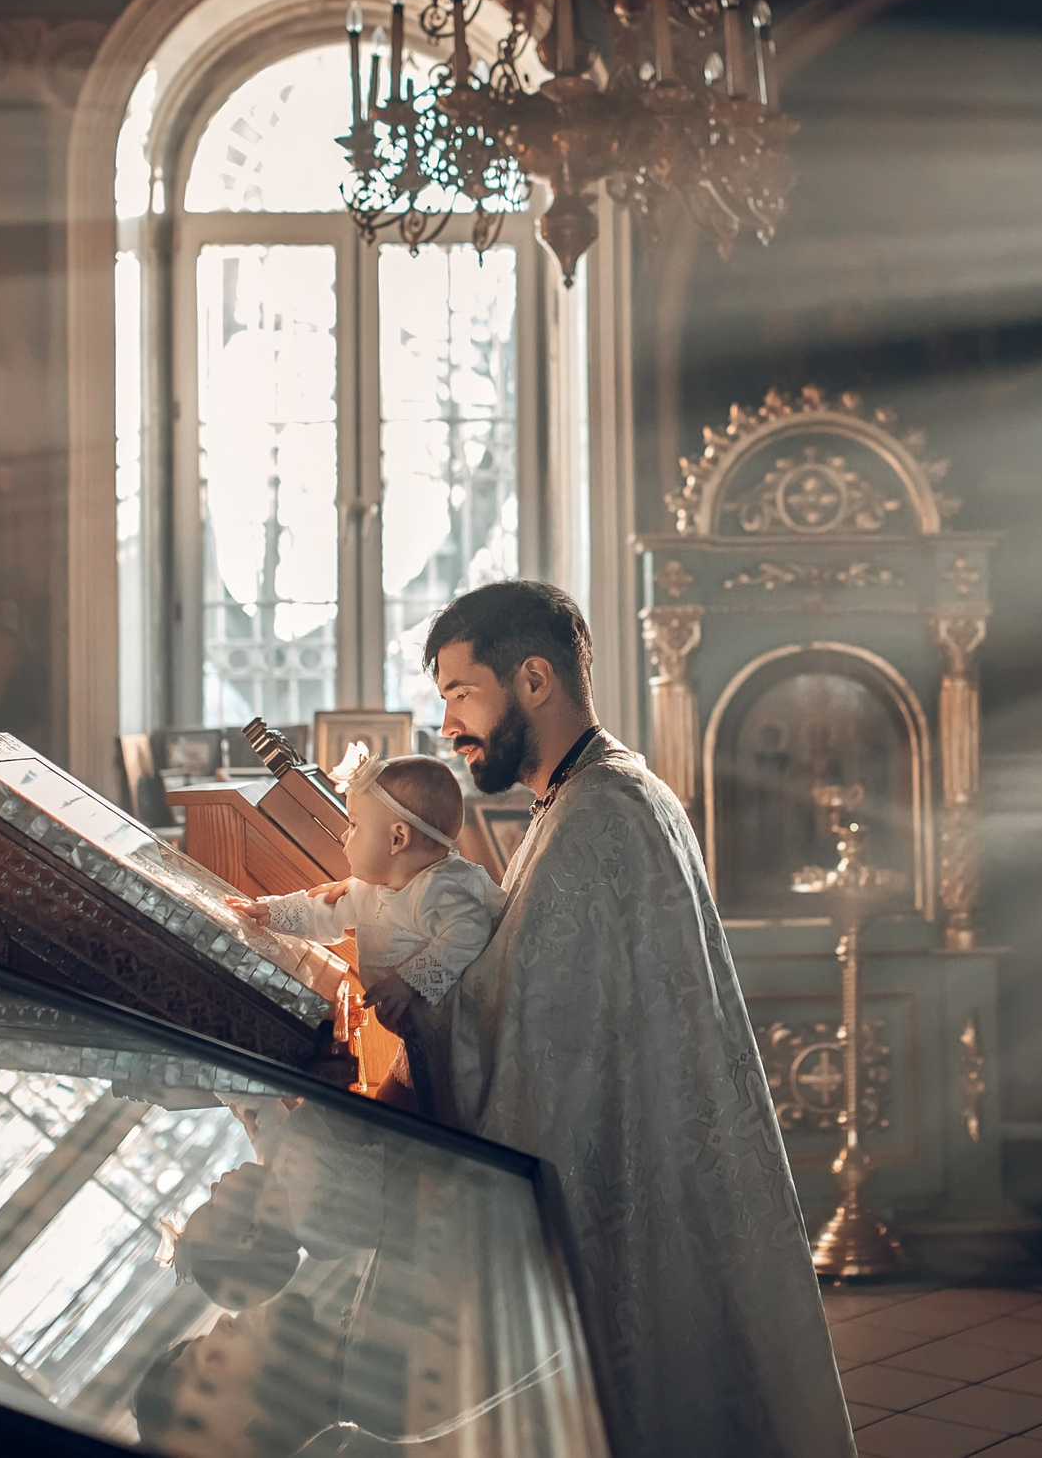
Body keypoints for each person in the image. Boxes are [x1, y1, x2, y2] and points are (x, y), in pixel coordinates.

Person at [426, 580, 854, 1458]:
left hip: (633, 1190)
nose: (448, 726)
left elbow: (530, 1042)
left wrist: (402, 988)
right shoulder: (594, 793)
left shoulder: (599, 815)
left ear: (534, 679)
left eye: (461, 693)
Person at [231, 752, 501, 1117]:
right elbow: (325, 909)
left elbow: (469, 932)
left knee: (444, 1117)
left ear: (397, 839)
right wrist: (270, 912)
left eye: (355, 825)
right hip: (419, 1038)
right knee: (398, 1109)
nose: (344, 836)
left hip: (458, 1047)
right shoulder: (373, 887)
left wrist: (407, 982)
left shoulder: (441, 889)